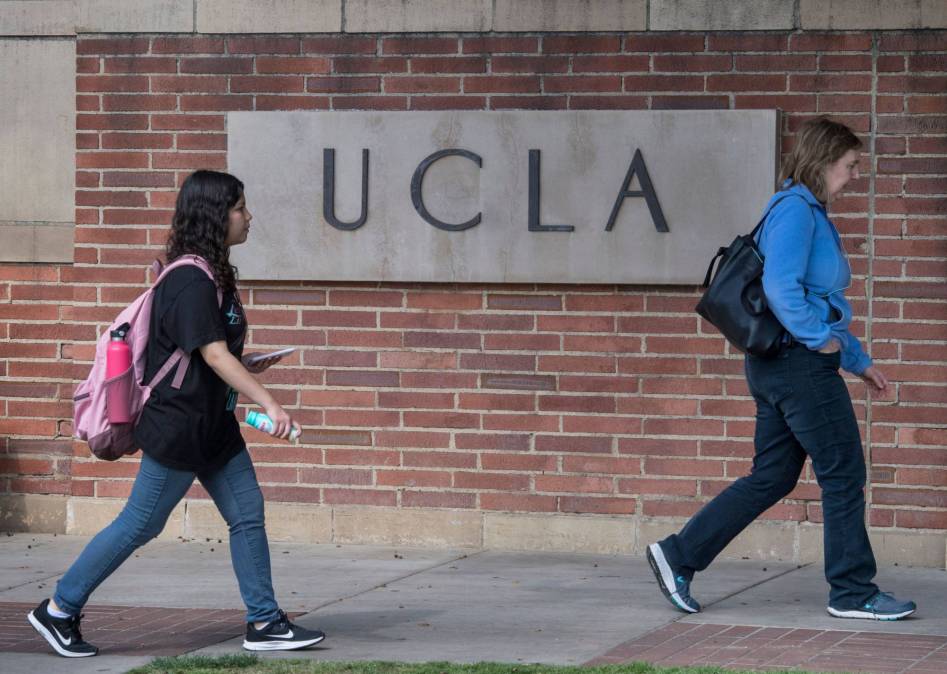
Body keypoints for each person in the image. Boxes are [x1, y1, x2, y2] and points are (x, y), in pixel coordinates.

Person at [28, 170, 326, 657]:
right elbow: (210, 354)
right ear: (214, 214)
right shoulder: (189, 278)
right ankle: (58, 609)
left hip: (212, 427)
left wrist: (246, 366)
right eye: (239, 208)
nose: (248, 217)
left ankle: (265, 622)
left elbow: (204, 355)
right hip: (179, 426)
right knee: (139, 524)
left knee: (247, 514)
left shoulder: (211, 274)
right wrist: (268, 401)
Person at [646, 116, 916, 621]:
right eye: (850, 165)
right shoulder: (797, 212)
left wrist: (857, 361)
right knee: (843, 474)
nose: (855, 175)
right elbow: (782, 289)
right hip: (797, 366)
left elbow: (818, 299)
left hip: (780, 364)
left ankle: (678, 555)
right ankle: (853, 593)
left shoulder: (803, 210)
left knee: (772, 474)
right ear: (823, 161)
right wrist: (821, 344)